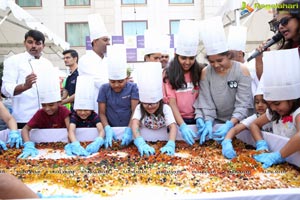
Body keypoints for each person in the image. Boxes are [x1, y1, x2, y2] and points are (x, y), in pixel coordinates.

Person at [194, 16, 253, 145]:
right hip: (216, 121)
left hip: (239, 123)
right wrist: (208, 121)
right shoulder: (206, 72)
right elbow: (206, 101)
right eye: (211, 61)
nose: (215, 65)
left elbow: (243, 103)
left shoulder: (242, 70)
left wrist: (231, 123)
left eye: (219, 61)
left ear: (228, 56)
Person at [250, 48, 300, 168]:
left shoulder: (297, 113)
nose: (273, 108)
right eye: (269, 103)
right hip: (285, 163)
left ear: (291, 98)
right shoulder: (273, 112)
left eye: (277, 103)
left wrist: (279, 155)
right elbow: (254, 125)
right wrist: (261, 143)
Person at [1, 30, 55, 129]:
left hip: (47, 117)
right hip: (23, 117)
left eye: (38, 43)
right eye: (30, 42)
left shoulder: (48, 63)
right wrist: (24, 86)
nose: (33, 46)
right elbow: (5, 89)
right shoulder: (13, 61)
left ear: (43, 46)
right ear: (24, 43)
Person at [163, 20, 203, 146]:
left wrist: (201, 118)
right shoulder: (168, 74)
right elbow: (172, 103)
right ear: (176, 55)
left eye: (191, 58)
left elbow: (202, 97)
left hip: (197, 119)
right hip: (177, 120)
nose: (187, 62)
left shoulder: (200, 71)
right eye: (183, 58)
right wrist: (183, 125)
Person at [18, 67, 70, 159]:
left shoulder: (64, 111)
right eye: (44, 105)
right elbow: (25, 129)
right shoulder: (40, 113)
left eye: (51, 105)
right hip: (43, 145)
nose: (47, 108)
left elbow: (70, 129)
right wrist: (28, 144)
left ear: (58, 102)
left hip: (63, 144)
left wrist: (71, 144)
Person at [97, 45, 139, 147]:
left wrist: (129, 129)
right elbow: (101, 113)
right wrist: (107, 128)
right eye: (112, 82)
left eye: (120, 81)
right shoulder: (104, 88)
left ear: (126, 78)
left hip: (129, 126)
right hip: (112, 128)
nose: (116, 85)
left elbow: (135, 111)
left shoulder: (133, 87)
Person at [132, 62, 177, 156]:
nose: (149, 107)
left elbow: (172, 126)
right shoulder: (139, 108)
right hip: (145, 138)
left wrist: (171, 143)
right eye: (146, 104)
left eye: (153, 104)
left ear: (160, 101)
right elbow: (135, 124)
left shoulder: (166, 108)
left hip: (164, 138)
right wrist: (140, 141)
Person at [221, 87, 271, 159]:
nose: (260, 105)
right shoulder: (255, 117)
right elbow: (235, 129)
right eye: (257, 102)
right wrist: (227, 141)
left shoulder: (276, 115)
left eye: (264, 102)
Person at [255, 0, 300, 80]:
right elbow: (267, 83)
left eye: (284, 21)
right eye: (277, 24)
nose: (280, 27)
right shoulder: (287, 50)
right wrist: (259, 59)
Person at [78, 13, 110, 113]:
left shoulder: (109, 60)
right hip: (92, 109)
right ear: (95, 41)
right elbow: (100, 82)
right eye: (105, 40)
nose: (108, 43)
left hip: (111, 108)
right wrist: (121, 82)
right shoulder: (85, 60)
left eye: (109, 40)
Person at [65, 76, 105, 156]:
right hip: (78, 142)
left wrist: (98, 141)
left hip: (91, 142)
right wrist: (75, 144)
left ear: (91, 110)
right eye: (80, 110)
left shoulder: (94, 116)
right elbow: (71, 130)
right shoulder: (74, 116)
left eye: (86, 110)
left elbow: (101, 130)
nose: (83, 113)